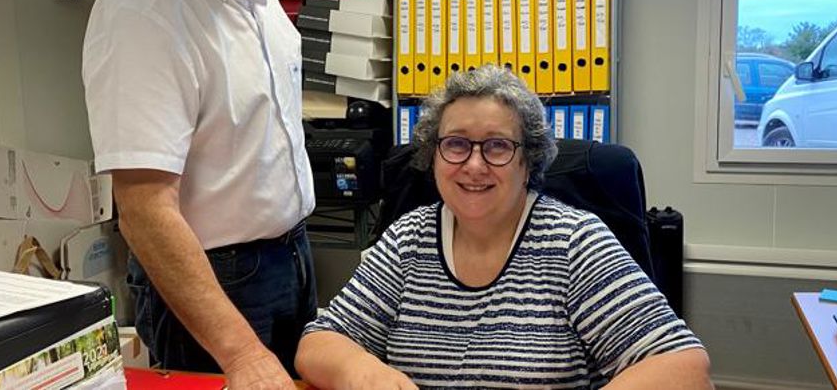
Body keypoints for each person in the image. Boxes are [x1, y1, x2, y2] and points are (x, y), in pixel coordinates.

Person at [295, 65, 713, 389]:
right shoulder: (409, 239)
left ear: (527, 160)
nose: (473, 165)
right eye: (456, 144)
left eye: (497, 146)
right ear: (434, 156)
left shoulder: (573, 243)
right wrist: (363, 370)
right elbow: (318, 342)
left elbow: (683, 368)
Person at [82, 0, 313, 388]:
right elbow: (142, 206)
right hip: (216, 283)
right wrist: (243, 356)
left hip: (290, 258)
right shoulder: (144, 13)